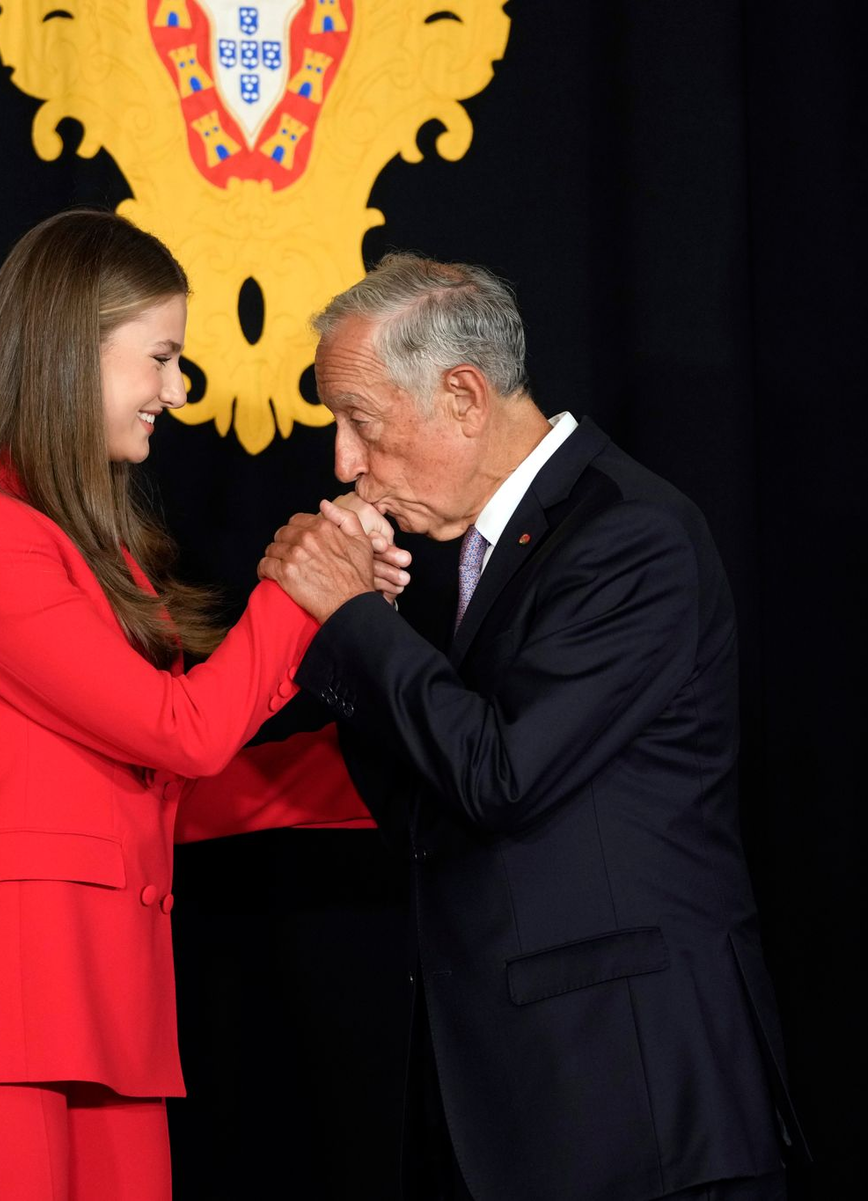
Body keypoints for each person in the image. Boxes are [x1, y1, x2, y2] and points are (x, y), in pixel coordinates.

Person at [0, 209, 386, 1201]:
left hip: (104, 1013)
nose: (174, 392)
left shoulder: (102, 557)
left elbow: (152, 789)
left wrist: (380, 761)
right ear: (68, 351)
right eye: (161, 357)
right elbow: (176, 732)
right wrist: (303, 589)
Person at [259, 254, 809, 1201]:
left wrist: (352, 620)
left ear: (465, 396)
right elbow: (426, 815)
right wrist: (354, 633)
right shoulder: (486, 552)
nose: (342, 463)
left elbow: (502, 774)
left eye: (360, 420)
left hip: (638, 1113)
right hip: (518, 1106)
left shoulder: (632, 535)